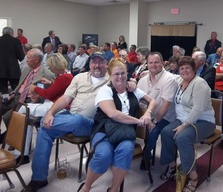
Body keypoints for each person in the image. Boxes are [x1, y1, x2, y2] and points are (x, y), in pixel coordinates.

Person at [21, 52, 137, 191]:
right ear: (89, 64)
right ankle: (39, 178)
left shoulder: (112, 78)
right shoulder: (80, 77)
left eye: (101, 62)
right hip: (69, 116)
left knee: (75, 120)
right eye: (94, 62)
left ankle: (42, 121)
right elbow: (65, 98)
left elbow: (126, 79)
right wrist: (50, 113)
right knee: (45, 130)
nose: (97, 65)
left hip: (91, 124)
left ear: (106, 65)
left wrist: (132, 82)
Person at [78, 58, 156, 192]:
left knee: (125, 151)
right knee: (104, 155)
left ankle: (113, 189)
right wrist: (139, 121)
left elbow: (153, 101)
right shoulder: (105, 91)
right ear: (110, 75)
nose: (120, 77)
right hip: (104, 131)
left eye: (123, 73)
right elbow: (113, 114)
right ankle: (86, 187)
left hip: (125, 131)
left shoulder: (132, 89)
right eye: (116, 74)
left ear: (127, 73)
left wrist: (148, 113)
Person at [160, 56, 215, 192]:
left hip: (203, 121)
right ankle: (172, 165)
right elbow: (166, 75)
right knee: (166, 132)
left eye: (187, 68)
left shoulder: (200, 84)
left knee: (183, 137)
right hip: (184, 119)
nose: (184, 71)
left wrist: (184, 125)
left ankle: (193, 176)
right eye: (182, 68)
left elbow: (198, 109)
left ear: (194, 69)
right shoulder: (179, 80)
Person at [15, 53, 73, 165]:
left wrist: (34, 88)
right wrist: (51, 83)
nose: (50, 69)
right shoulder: (67, 76)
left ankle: (22, 150)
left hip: (55, 107)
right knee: (26, 117)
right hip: (53, 104)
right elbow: (59, 89)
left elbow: (48, 94)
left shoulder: (64, 77)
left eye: (51, 67)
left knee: (22, 111)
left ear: (55, 66)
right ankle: (23, 149)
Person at [0, 48, 55, 144]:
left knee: (8, 116)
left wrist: (39, 97)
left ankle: (16, 141)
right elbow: (20, 85)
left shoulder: (47, 74)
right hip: (18, 96)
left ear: (36, 60)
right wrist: (13, 93)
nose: (26, 60)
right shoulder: (27, 69)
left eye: (29, 58)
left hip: (29, 100)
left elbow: (49, 93)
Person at [137, 52, 178, 170]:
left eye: (156, 62)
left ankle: (146, 155)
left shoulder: (169, 79)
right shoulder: (143, 80)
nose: (153, 65)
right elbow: (139, 101)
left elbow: (166, 105)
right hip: (147, 114)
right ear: (147, 64)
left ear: (162, 63)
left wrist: (154, 121)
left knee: (152, 131)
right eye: (150, 62)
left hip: (164, 117)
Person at [0, 26, 25, 94]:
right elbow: (21, 57)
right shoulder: (16, 41)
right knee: (16, 90)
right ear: (12, 33)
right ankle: (15, 103)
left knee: (2, 92)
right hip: (13, 70)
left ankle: (4, 103)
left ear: (2, 33)